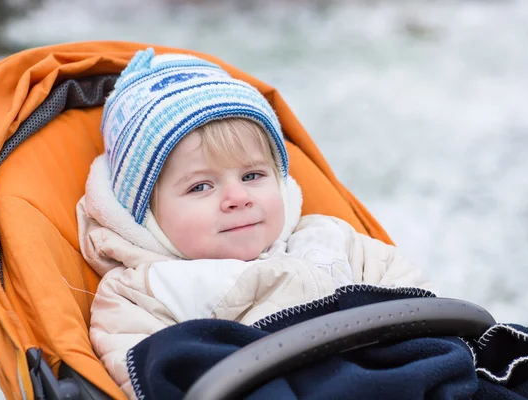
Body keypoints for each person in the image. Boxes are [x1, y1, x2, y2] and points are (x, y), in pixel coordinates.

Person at [76, 47, 432, 397]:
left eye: (252, 176)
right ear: (147, 215)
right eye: (201, 186)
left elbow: (416, 301)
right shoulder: (142, 293)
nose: (238, 198)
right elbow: (147, 375)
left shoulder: (329, 239)